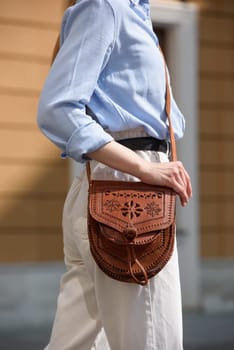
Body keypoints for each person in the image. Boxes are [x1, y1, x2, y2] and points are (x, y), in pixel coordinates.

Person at [37, 0, 192, 349]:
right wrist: (144, 167)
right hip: (129, 191)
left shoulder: (130, 12)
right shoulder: (108, 6)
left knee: (77, 343)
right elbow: (56, 110)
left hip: (111, 186)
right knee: (153, 342)